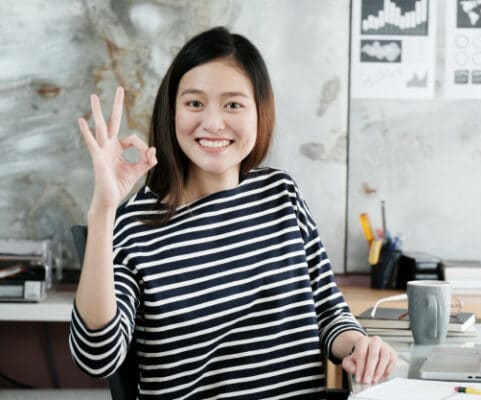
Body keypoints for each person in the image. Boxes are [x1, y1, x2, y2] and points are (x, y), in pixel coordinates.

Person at [69, 26, 396, 399]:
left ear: (260, 112)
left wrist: (361, 347)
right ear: (171, 110)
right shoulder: (133, 226)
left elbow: (329, 313)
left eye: (233, 105)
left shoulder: (281, 194)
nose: (212, 123)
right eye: (194, 103)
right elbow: (96, 357)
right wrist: (103, 211)